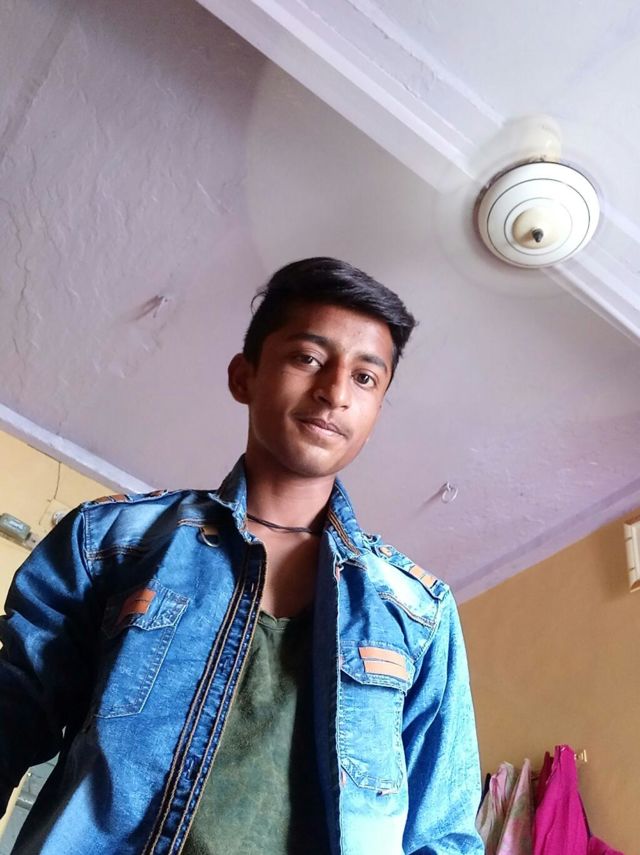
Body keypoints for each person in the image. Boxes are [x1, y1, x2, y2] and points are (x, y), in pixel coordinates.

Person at [0, 258, 483, 854]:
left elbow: (442, 834)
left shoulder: (418, 612)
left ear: (376, 412)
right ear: (244, 377)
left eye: (365, 378)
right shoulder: (110, 541)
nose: (335, 392)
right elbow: (11, 715)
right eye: (308, 358)